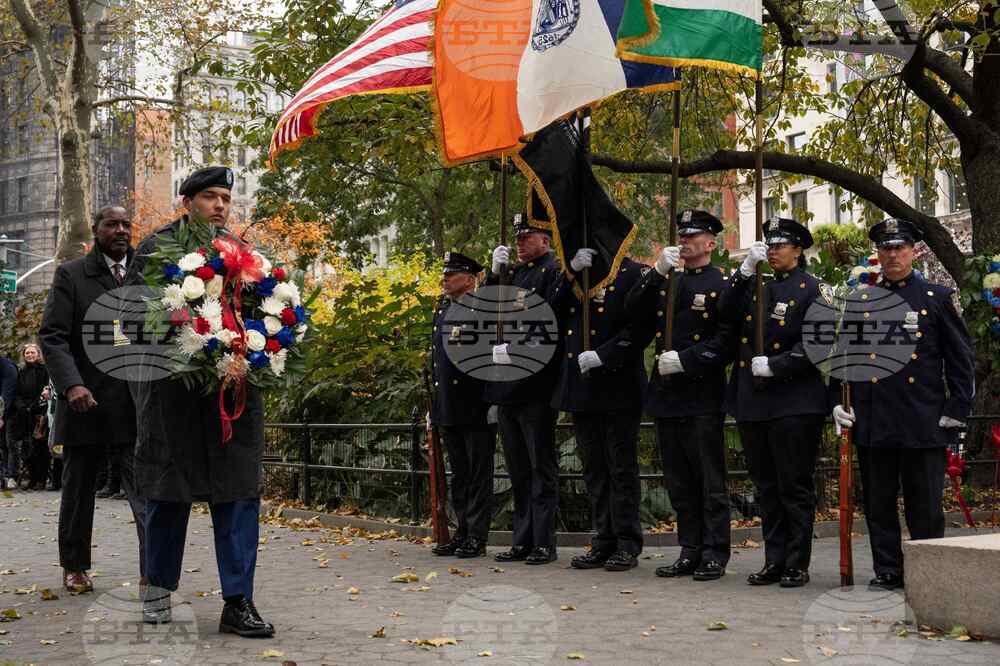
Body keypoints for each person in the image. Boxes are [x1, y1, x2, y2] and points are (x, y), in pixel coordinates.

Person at [130, 166, 273, 636]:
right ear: (187, 200)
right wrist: (188, 331)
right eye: (209, 196)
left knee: (237, 496)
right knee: (168, 494)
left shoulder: (244, 254)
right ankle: (157, 593)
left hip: (233, 395)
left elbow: (267, 310)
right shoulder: (156, 247)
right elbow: (134, 319)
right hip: (175, 396)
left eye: (225, 199)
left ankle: (238, 602)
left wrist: (265, 340)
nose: (219, 206)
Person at [832, 219, 975, 591]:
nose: (893, 255)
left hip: (922, 418)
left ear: (913, 251)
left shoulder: (935, 298)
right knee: (879, 504)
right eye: (886, 248)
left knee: (924, 504)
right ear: (878, 254)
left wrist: (957, 409)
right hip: (874, 417)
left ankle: (928, 571)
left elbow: (960, 359)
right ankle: (889, 570)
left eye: (900, 248)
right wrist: (838, 404)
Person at [38, 205, 146, 595]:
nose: (120, 230)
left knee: (146, 493)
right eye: (111, 224)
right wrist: (71, 386)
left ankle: (153, 570)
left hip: (136, 406)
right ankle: (75, 566)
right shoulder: (72, 276)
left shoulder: (147, 274)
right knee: (79, 491)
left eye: (125, 225)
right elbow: (52, 336)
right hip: (86, 402)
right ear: (97, 230)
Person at [625, 210, 732, 581]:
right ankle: (689, 549)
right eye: (682, 236)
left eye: (693, 236)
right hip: (668, 395)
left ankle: (715, 551)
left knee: (709, 480)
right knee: (679, 481)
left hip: (702, 393)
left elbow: (727, 341)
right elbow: (632, 309)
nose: (685, 241)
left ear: (710, 244)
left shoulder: (721, 283)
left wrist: (687, 360)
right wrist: (654, 272)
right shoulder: (666, 281)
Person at [727, 218, 830, 588]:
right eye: (769, 246)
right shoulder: (756, 287)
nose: (772, 251)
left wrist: (777, 365)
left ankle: (796, 563)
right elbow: (724, 315)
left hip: (794, 402)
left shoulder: (814, 289)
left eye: (780, 245)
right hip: (754, 402)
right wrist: (743, 271)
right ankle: (773, 559)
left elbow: (817, 344)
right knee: (766, 487)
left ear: (798, 250)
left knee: (793, 487)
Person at [552, 246, 649, 572]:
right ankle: (603, 539)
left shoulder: (633, 273)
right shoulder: (578, 274)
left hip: (618, 386)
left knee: (620, 469)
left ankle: (626, 543)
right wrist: (569, 276)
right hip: (583, 389)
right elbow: (552, 312)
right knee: (594, 470)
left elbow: (641, 327)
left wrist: (605, 355)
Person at [487, 214, 562, 565]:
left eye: (527, 236)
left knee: (539, 468)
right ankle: (522, 538)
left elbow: (551, 323)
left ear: (545, 241)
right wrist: (492, 274)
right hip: (507, 387)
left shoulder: (552, 273)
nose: (519, 243)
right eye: (517, 238)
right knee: (518, 469)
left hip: (535, 385)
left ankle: (543, 541)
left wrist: (515, 352)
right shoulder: (512, 274)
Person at [429, 251, 496, 560]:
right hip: (450, 406)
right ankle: (462, 531)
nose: (444, 279)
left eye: (450, 275)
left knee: (478, 473)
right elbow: (438, 366)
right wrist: (435, 405)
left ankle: (477, 536)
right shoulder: (443, 312)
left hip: (476, 404)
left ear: (469, 280)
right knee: (459, 474)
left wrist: (493, 399)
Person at [11, 344, 50, 490]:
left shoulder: (45, 371)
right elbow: (17, 393)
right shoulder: (22, 372)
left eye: (32, 352)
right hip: (24, 414)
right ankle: (32, 478)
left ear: (38, 354)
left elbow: (45, 391)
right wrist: (22, 406)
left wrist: (33, 406)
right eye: (27, 353)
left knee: (41, 448)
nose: (30, 355)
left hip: (39, 414)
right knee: (28, 448)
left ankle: (41, 479)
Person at [0, 355, 18, 489]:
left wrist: (1, 416)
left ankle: (11, 476)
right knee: (2, 444)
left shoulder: (7, 366)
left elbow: (8, 393)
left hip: (11, 411)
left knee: (10, 444)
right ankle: (4, 475)